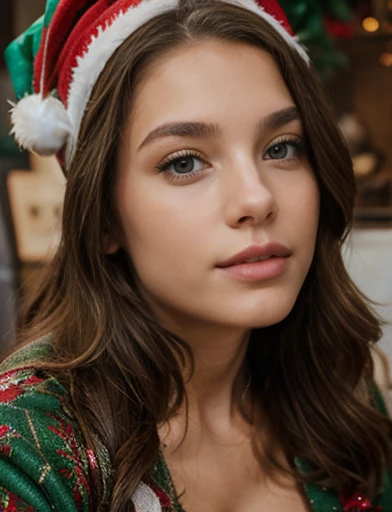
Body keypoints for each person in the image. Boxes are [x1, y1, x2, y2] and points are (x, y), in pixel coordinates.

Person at [1, 1, 391, 510]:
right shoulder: (27, 454)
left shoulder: (343, 388)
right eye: (184, 162)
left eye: (281, 148)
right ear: (103, 218)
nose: (257, 198)